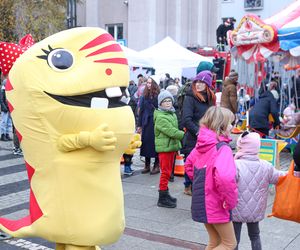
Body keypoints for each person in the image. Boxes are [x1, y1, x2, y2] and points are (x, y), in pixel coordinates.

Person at [185, 106, 237, 250]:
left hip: (201, 202)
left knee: (214, 241)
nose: (232, 126)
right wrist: (230, 201)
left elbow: (189, 165)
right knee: (229, 243)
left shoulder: (202, 144)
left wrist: (202, 182)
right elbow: (226, 178)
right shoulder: (222, 148)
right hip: (216, 203)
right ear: (221, 125)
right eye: (230, 123)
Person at [232, 131, 283, 250]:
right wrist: (294, 174)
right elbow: (279, 177)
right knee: (255, 235)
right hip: (255, 210)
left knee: (234, 238)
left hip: (236, 208)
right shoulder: (266, 166)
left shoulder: (235, 164)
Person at [181, 70, 216, 195]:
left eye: (202, 82)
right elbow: (186, 119)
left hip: (208, 136)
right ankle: (188, 185)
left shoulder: (210, 98)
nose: (198, 85)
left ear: (207, 84)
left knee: (204, 162)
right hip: (193, 136)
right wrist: (198, 133)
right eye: (197, 82)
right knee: (191, 161)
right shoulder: (190, 97)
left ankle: (199, 185)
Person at [154, 90, 184, 208]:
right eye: (164, 101)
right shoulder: (161, 116)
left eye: (169, 100)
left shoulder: (171, 113)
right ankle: (162, 197)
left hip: (170, 147)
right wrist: (183, 135)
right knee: (165, 173)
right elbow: (171, 131)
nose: (167, 103)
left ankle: (165, 193)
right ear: (160, 103)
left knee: (167, 172)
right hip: (165, 148)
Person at [137, 76, 160, 174]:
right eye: (148, 83)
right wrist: (139, 125)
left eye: (150, 83)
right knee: (146, 143)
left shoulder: (158, 96)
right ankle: (147, 165)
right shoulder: (144, 96)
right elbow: (141, 111)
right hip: (146, 122)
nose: (148, 85)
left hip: (155, 122)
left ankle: (156, 165)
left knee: (155, 144)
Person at [0, 77, 12, 141]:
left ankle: (7, 134)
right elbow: (1, 100)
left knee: (9, 122)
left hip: (9, 108)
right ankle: (2, 135)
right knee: (4, 122)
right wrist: (4, 107)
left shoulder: (9, 90)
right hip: (4, 108)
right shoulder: (2, 90)